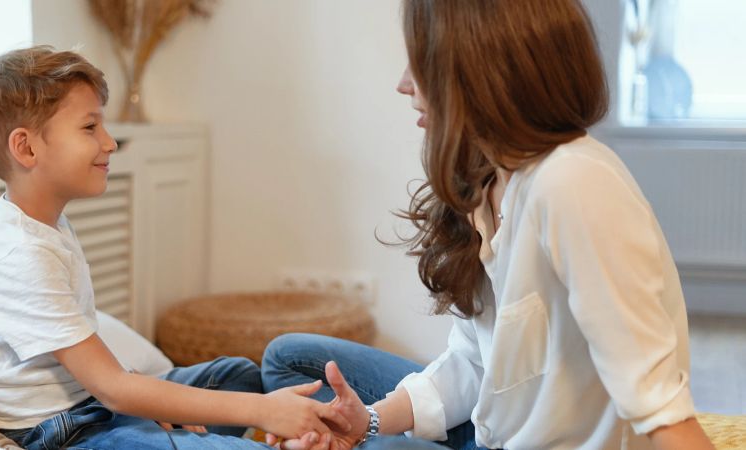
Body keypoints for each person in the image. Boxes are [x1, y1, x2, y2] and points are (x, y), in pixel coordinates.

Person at [261, 0, 715, 449]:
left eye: (420, 63)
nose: (403, 84)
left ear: (478, 70)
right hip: (491, 429)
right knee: (288, 358)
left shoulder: (573, 182)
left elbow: (661, 409)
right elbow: (478, 363)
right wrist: (368, 424)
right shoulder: (488, 180)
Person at [0, 46, 346, 450]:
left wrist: (143, 399)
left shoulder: (46, 225)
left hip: (96, 402)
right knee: (241, 410)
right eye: (89, 128)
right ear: (27, 148)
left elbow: (110, 382)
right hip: (63, 431)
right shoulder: (18, 253)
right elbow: (114, 389)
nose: (110, 143)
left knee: (237, 375)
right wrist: (260, 412)